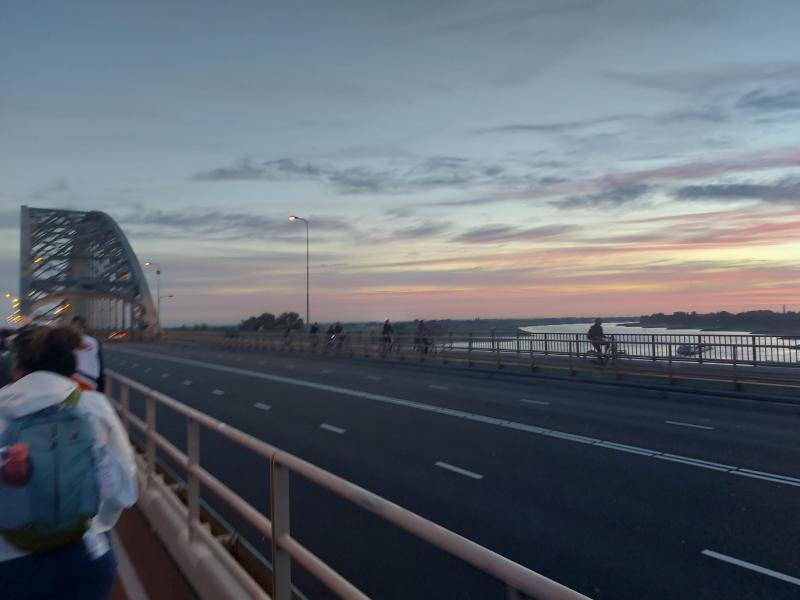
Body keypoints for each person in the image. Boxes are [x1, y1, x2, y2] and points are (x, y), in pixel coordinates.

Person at [0, 325, 138, 599]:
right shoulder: (94, 405)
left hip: (10, 563)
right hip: (85, 555)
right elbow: (123, 485)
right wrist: (98, 524)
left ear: (18, 364)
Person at [71, 316, 104, 392]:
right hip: (92, 380)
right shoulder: (94, 341)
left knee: (76, 402)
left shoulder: (70, 341)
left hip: (76, 379)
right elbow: (100, 364)